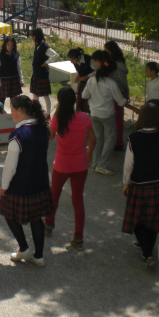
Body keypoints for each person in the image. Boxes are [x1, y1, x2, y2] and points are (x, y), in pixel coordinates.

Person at [0, 96, 53, 267]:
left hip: (21, 184)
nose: (11, 113)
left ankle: (23, 247)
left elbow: (10, 166)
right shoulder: (43, 129)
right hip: (40, 181)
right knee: (37, 218)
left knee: (8, 213)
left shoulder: (17, 135)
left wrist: (4, 186)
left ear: (20, 111)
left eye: (13, 110)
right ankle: (39, 256)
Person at [122, 101, 159, 267]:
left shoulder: (135, 138)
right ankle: (147, 249)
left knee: (137, 219)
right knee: (153, 219)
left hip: (139, 184)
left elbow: (128, 164)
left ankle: (147, 253)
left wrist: (125, 183)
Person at [45, 87, 95, 250]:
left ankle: (48, 224)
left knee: (54, 196)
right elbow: (92, 140)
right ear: (74, 100)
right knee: (78, 201)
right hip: (80, 165)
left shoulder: (58, 119)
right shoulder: (84, 117)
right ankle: (78, 237)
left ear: (59, 102)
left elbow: (51, 137)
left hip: (61, 165)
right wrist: (88, 154)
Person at [82, 51, 127, 175]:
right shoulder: (111, 84)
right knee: (110, 139)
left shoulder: (91, 80)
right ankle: (102, 164)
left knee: (98, 139)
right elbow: (120, 101)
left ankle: (95, 163)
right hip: (107, 115)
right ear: (110, 72)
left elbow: (84, 95)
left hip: (94, 113)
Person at [104, 40, 129, 150]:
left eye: (106, 50)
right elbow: (102, 67)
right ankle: (111, 140)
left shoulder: (118, 65)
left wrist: (127, 94)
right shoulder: (108, 62)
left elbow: (123, 82)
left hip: (119, 92)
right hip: (109, 93)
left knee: (118, 119)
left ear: (111, 51)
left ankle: (118, 142)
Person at [29, 28, 59, 117]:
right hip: (36, 74)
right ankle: (36, 112)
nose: (30, 37)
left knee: (45, 95)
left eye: (31, 35)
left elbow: (56, 55)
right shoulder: (36, 45)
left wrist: (47, 63)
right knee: (35, 94)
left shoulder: (45, 47)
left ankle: (48, 114)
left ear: (35, 37)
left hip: (42, 75)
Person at [0, 36, 24, 107]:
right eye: (8, 44)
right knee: (1, 100)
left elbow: (19, 68)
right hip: (3, 81)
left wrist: (21, 80)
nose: (10, 47)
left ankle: (14, 116)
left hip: (14, 80)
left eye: (12, 45)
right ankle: (0, 114)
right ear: (5, 44)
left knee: (14, 101)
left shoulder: (16, 53)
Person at [67, 47, 96, 113]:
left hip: (91, 83)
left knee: (87, 102)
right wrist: (78, 75)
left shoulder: (88, 59)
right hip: (82, 83)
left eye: (73, 60)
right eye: (70, 60)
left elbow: (96, 71)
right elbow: (80, 70)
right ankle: (80, 115)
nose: (72, 62)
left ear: (78, 57)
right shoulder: (75, 62)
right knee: (80, 101)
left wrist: (87, 76)